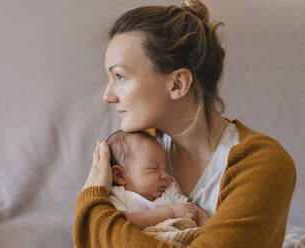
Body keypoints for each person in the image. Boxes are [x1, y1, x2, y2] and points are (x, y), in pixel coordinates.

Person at [73, 0, 297, 247]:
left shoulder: (264, 166)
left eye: (121, 76)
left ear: (178, 84)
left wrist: (91, 206)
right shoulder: (136, 152)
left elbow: (92, 232)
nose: (108, 95)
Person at [106, 130, 210, 231]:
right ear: (120, 176)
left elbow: (191, 210)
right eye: (153, 169)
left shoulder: (167, 191)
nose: (165, 175)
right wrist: (172, 212)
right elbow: (123, 223)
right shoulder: (118, 197)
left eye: (165, 169)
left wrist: (206, 227)